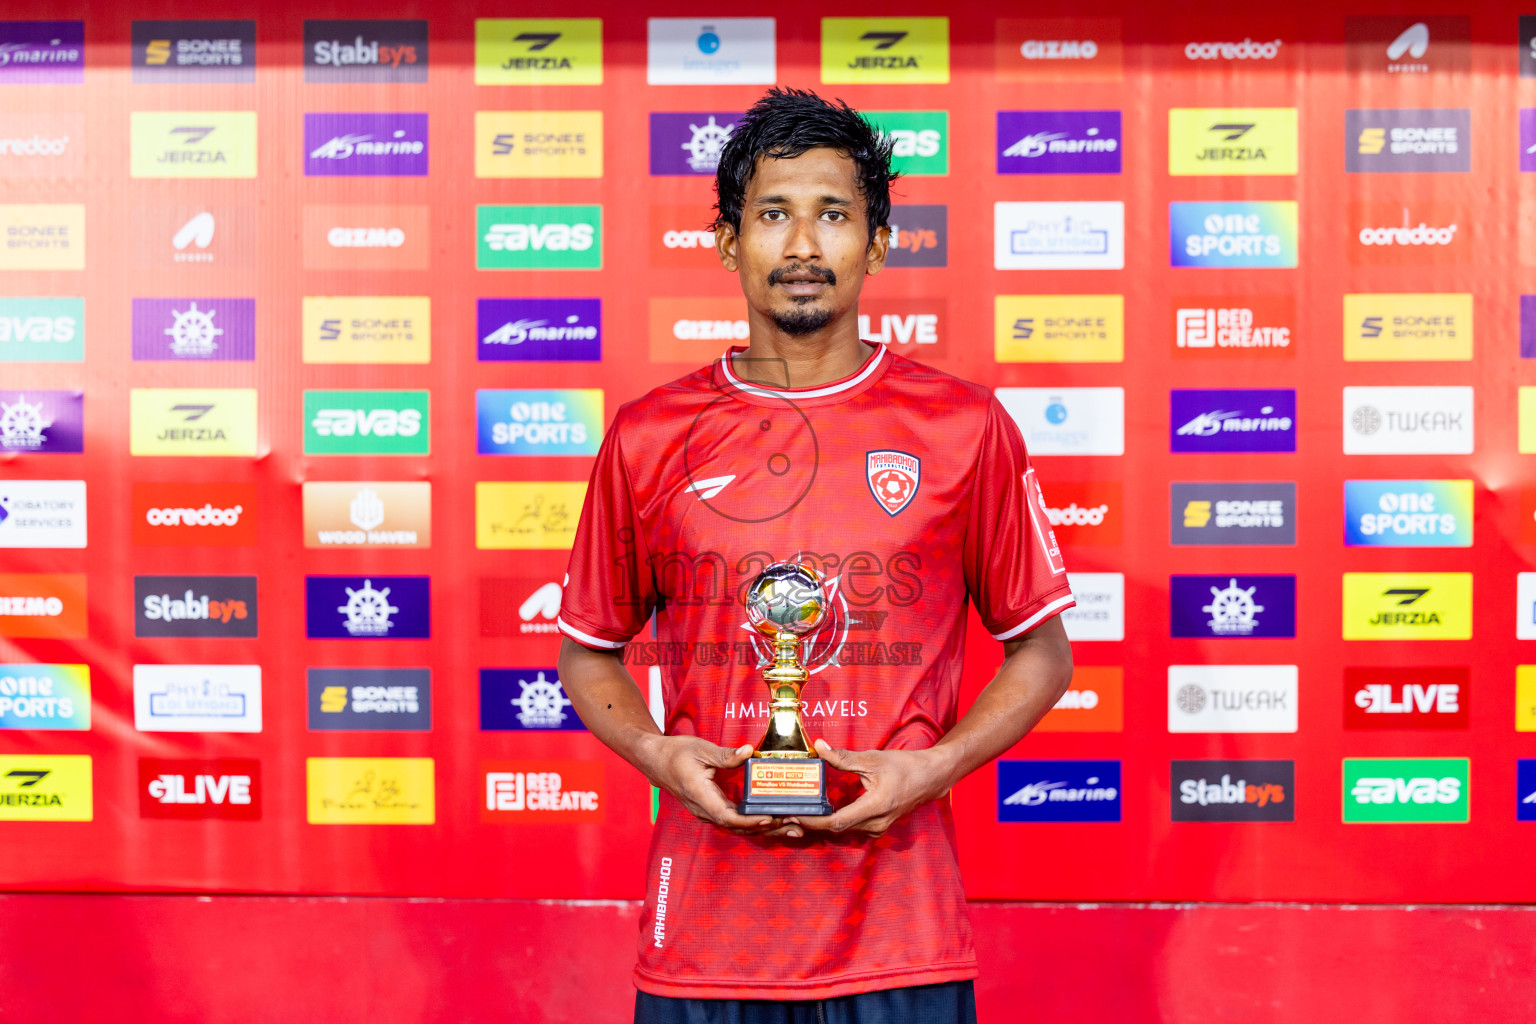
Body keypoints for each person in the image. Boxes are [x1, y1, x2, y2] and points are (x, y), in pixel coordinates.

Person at [557, 87, 1076, 1024]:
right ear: (727, 241)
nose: (803, 247)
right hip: (706, 945)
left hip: (900, 943)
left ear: (876, 243)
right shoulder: (647, 436)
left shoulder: (963, 428)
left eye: (833, 215)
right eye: (773, 215)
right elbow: (589, 646)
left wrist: (934, 769)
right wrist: (656, 754)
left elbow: (1043, 651)